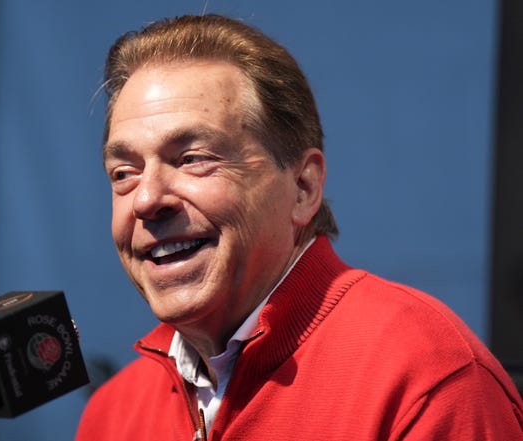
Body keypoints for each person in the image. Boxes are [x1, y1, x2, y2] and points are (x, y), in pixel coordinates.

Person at [76, 14, 523, 440]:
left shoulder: (426, 380)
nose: (148, 198)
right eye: (124, 173)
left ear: (304, 187)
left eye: (193, 159)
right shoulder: (112, 412)